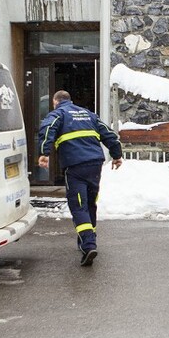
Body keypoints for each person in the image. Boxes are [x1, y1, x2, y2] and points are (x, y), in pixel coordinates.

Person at [36, 90, 123, 266]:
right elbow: (108, 134)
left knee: (78, 206)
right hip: (95, 165)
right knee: (90, 203)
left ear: (55, 102)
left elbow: (47, 129)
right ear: (70, 100)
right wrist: (116, 155)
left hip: (75, 166)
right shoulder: (87, 114)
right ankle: (87, 240)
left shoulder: (58, 113)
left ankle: (89, 244)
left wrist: (44, 152)